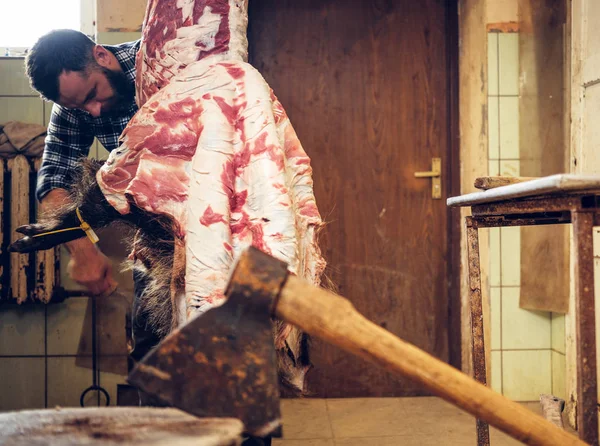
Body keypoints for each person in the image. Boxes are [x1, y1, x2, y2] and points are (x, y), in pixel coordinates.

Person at [25, 29, 160, 364]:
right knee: (151, 354)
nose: (94, 111)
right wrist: (81, 247)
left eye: (93, 95)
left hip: (221, 215)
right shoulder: (76, 104)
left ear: (101, 56)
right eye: (81, 106)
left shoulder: (163, 59)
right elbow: (55, 174)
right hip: (158, 238)